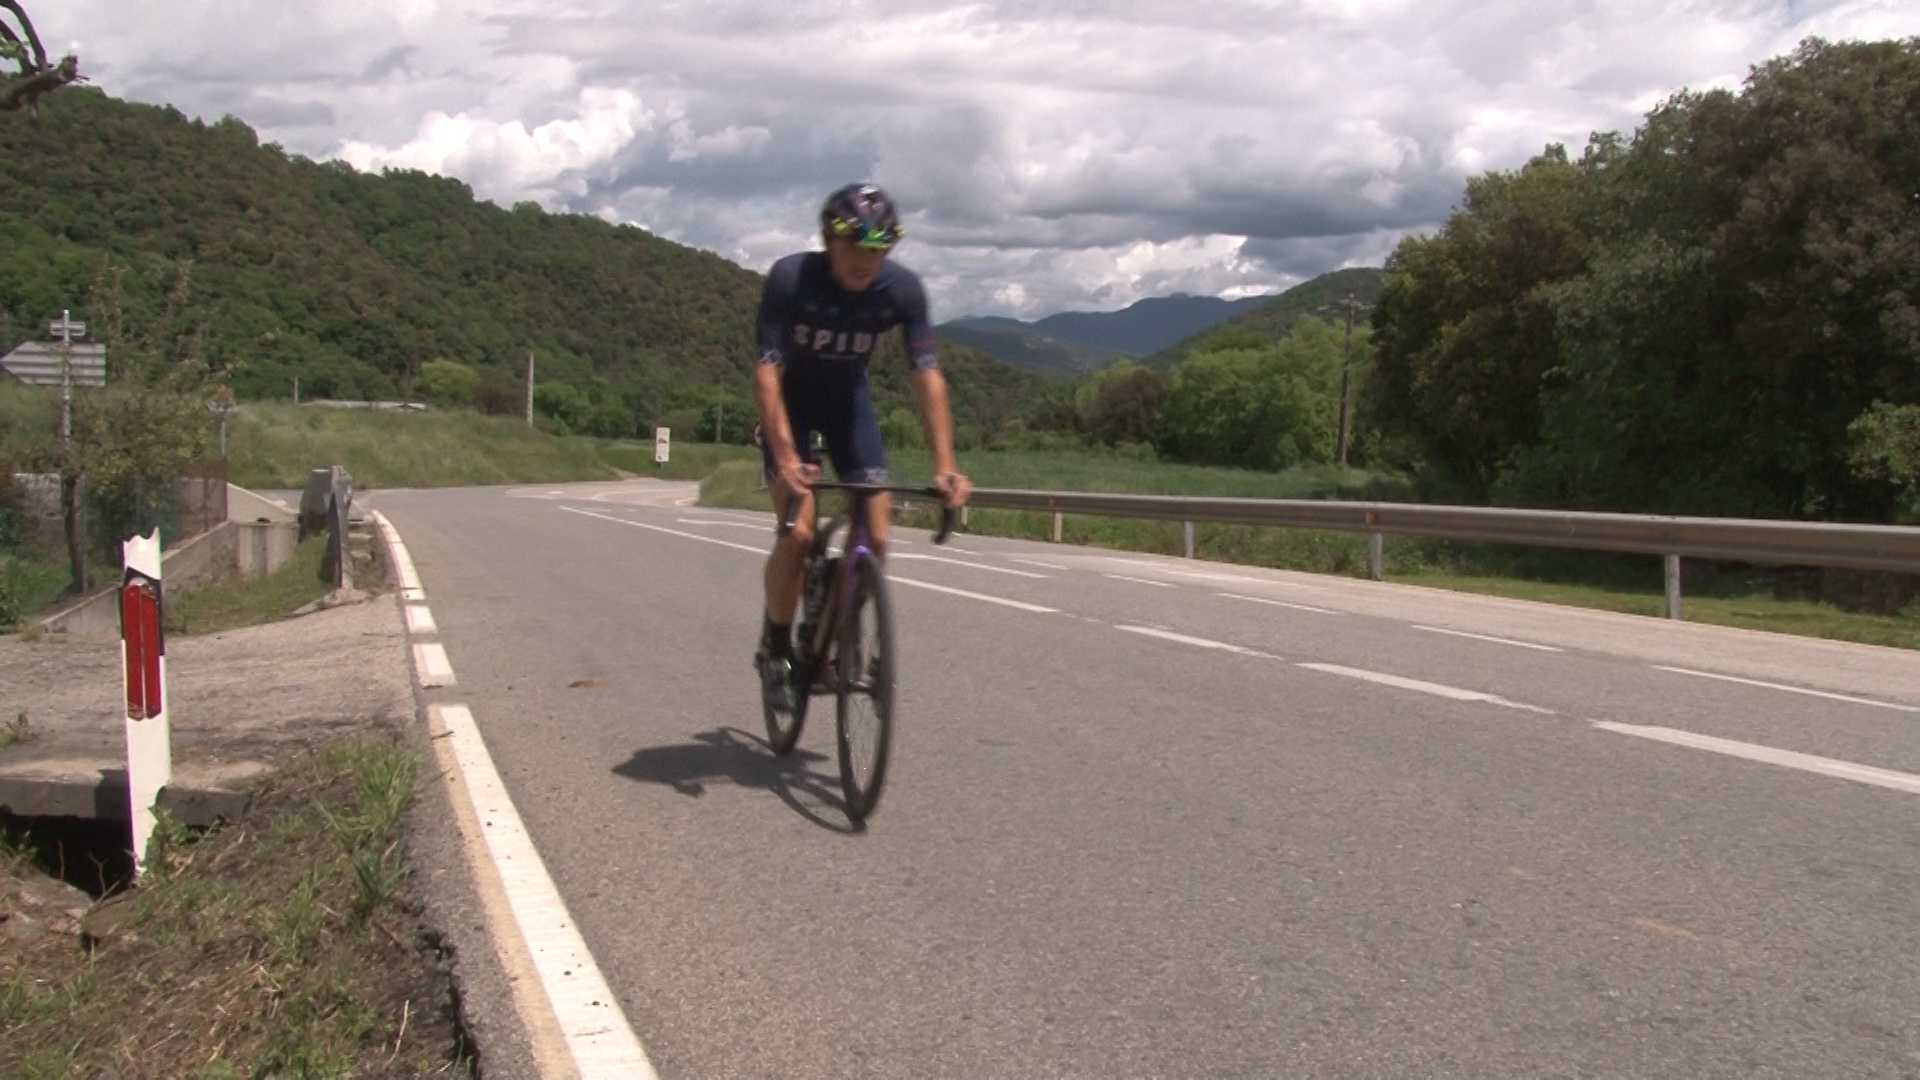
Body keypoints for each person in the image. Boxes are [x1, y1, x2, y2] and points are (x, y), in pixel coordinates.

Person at [751, 182, 972, 712]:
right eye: (855, 246)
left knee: (878, 536)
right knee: (798, 534)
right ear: (830, 240)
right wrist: (786, 457)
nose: (866, 260)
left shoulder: (902, 291)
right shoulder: (791, 278)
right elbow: (767, 373)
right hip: (792, 410)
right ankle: (775, 648)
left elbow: (926, 375)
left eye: (879, 249)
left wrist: (946, 466)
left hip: (850, 410)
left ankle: (837, 631)